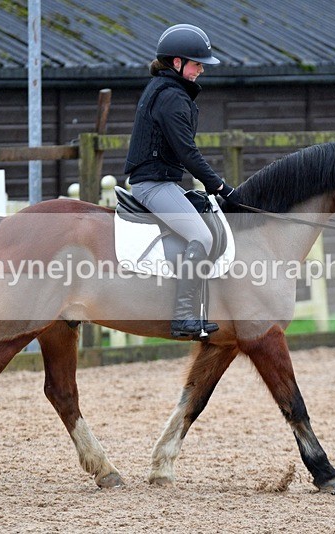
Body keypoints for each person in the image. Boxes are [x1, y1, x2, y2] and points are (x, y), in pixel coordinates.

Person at [124, 23, 241, 339]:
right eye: (197, 63)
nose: (202, 69)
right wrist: (219, 186)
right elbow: (187, 153)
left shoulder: (168, 90)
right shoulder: (171, 97)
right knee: (200, 237)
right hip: (154, 185)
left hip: (164, 182)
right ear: (177, 63)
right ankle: (184, 316)